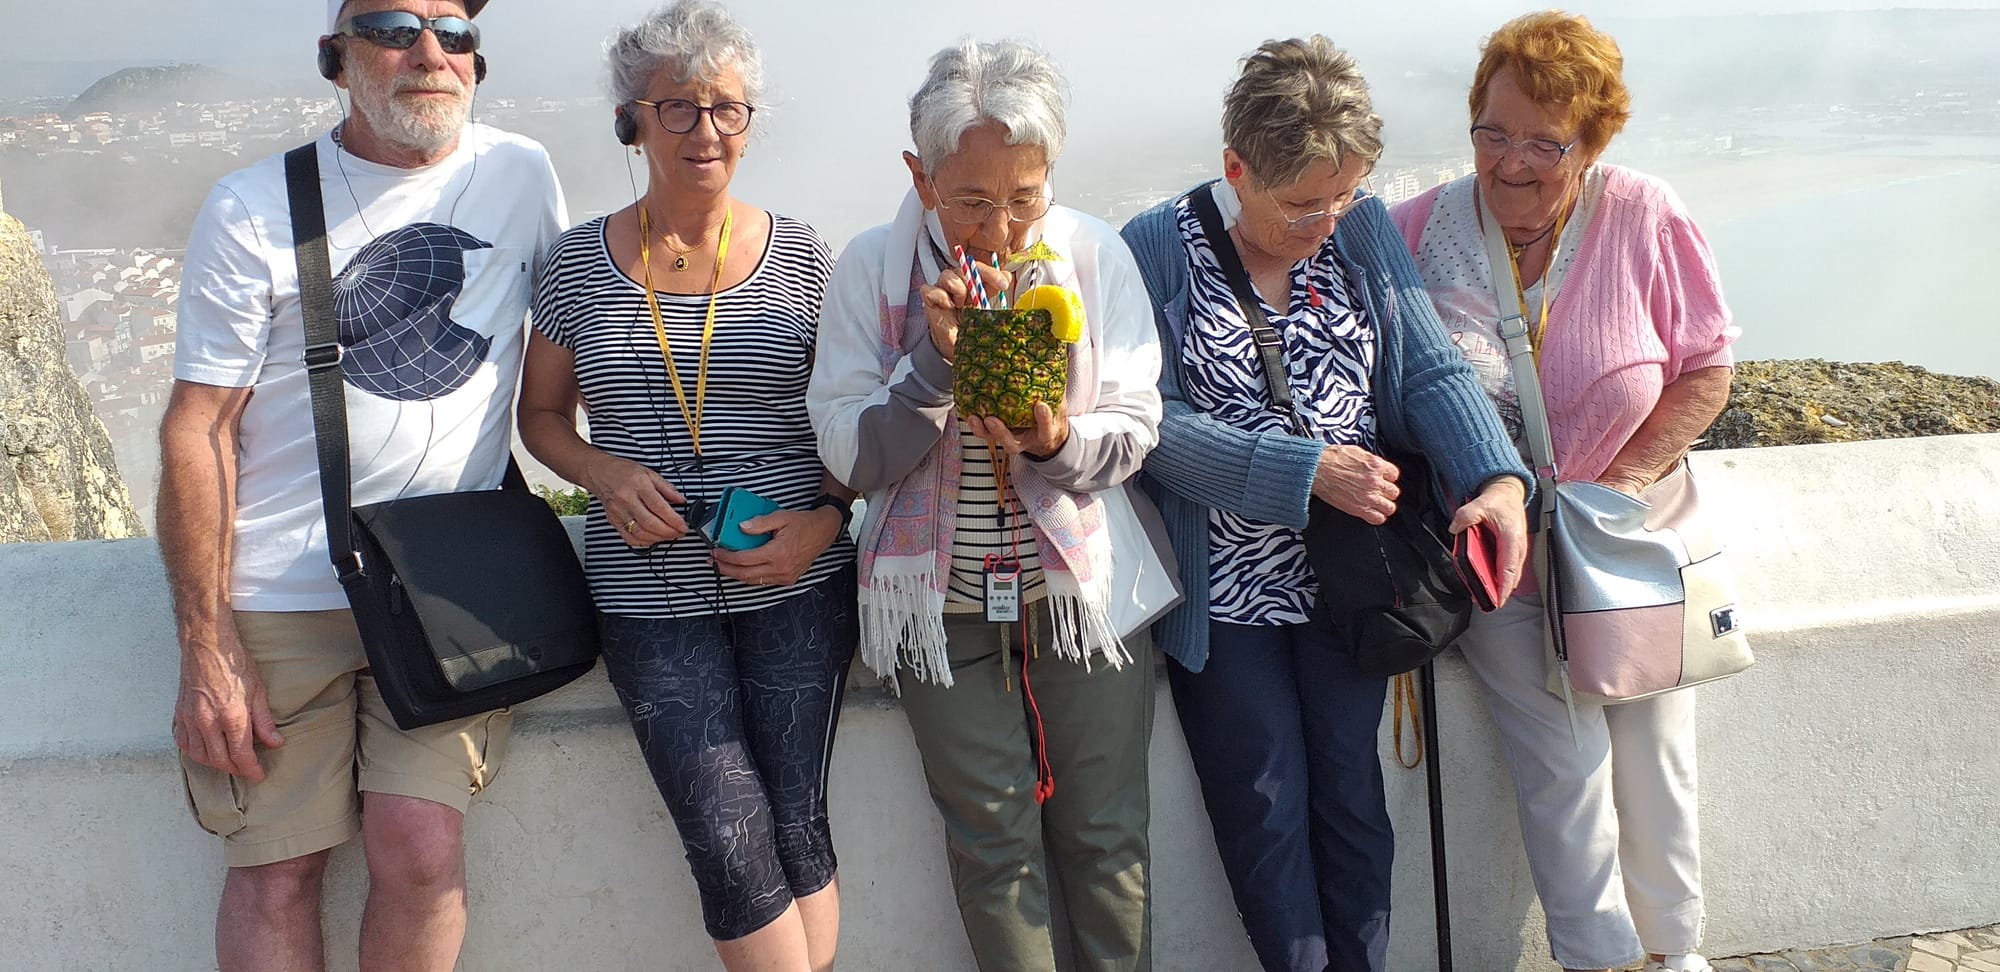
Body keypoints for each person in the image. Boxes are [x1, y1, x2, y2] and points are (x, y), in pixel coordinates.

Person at [157, 1, 565, 969]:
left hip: (444, 585)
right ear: (335, 59)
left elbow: (572, 347)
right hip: (280, 596)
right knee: (277, 870)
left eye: (452, 32)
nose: (428, 52)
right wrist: (206, 645)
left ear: (476, 62)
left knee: (421, 851)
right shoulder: (253, 204)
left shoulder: (520, 173)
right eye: (391, 26)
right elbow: (197, 425)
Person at [1120, 36, 1532, 972]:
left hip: (1353, 583)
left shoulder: (1362, 230)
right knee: (1262, 809)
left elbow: (1425, 366)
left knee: (1353, 799)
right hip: (1224, 595)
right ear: (1236, 169)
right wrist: (1301, 471)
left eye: (1343, 194)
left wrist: (1497, 481)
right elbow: (1152, 427)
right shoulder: (1155, 248)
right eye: (1302, 202)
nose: (1326, 220)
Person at [806, 39, 1170, 972]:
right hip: (942, 610)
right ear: (919, 177)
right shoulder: (871, 272)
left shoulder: (1092, 255)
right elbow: (853, 457)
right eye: (971, 200)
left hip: (1080, 595)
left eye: (1025, 197)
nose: (1001, 229)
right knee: (993, 846)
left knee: (1108, 839)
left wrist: (1053, 443)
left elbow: (1134, 429)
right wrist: (932, 362)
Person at [1389, 12, 1738, 972]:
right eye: (1492, 132)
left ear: (1590, 143)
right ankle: (1601, 960)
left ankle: (1679, 953)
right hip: (1502, 556)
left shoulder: (1644, 214)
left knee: (1656, 757)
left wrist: (1615, 489)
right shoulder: (1416, 231)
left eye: (1546, 142)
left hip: (1626, 542)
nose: (1512, 163)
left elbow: (1706, 370)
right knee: (1562, 772)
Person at [515, 3, 857, 971]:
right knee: (722, 833)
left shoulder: (800, 256)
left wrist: (825, 523)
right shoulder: (577, 265)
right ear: (631, 119)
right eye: (678, 108)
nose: (705, 132)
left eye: (726, 109)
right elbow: (539, 418)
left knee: (794, 821)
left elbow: (841, 413)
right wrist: (600, 470)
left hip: (795, 578)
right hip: (645, 590)